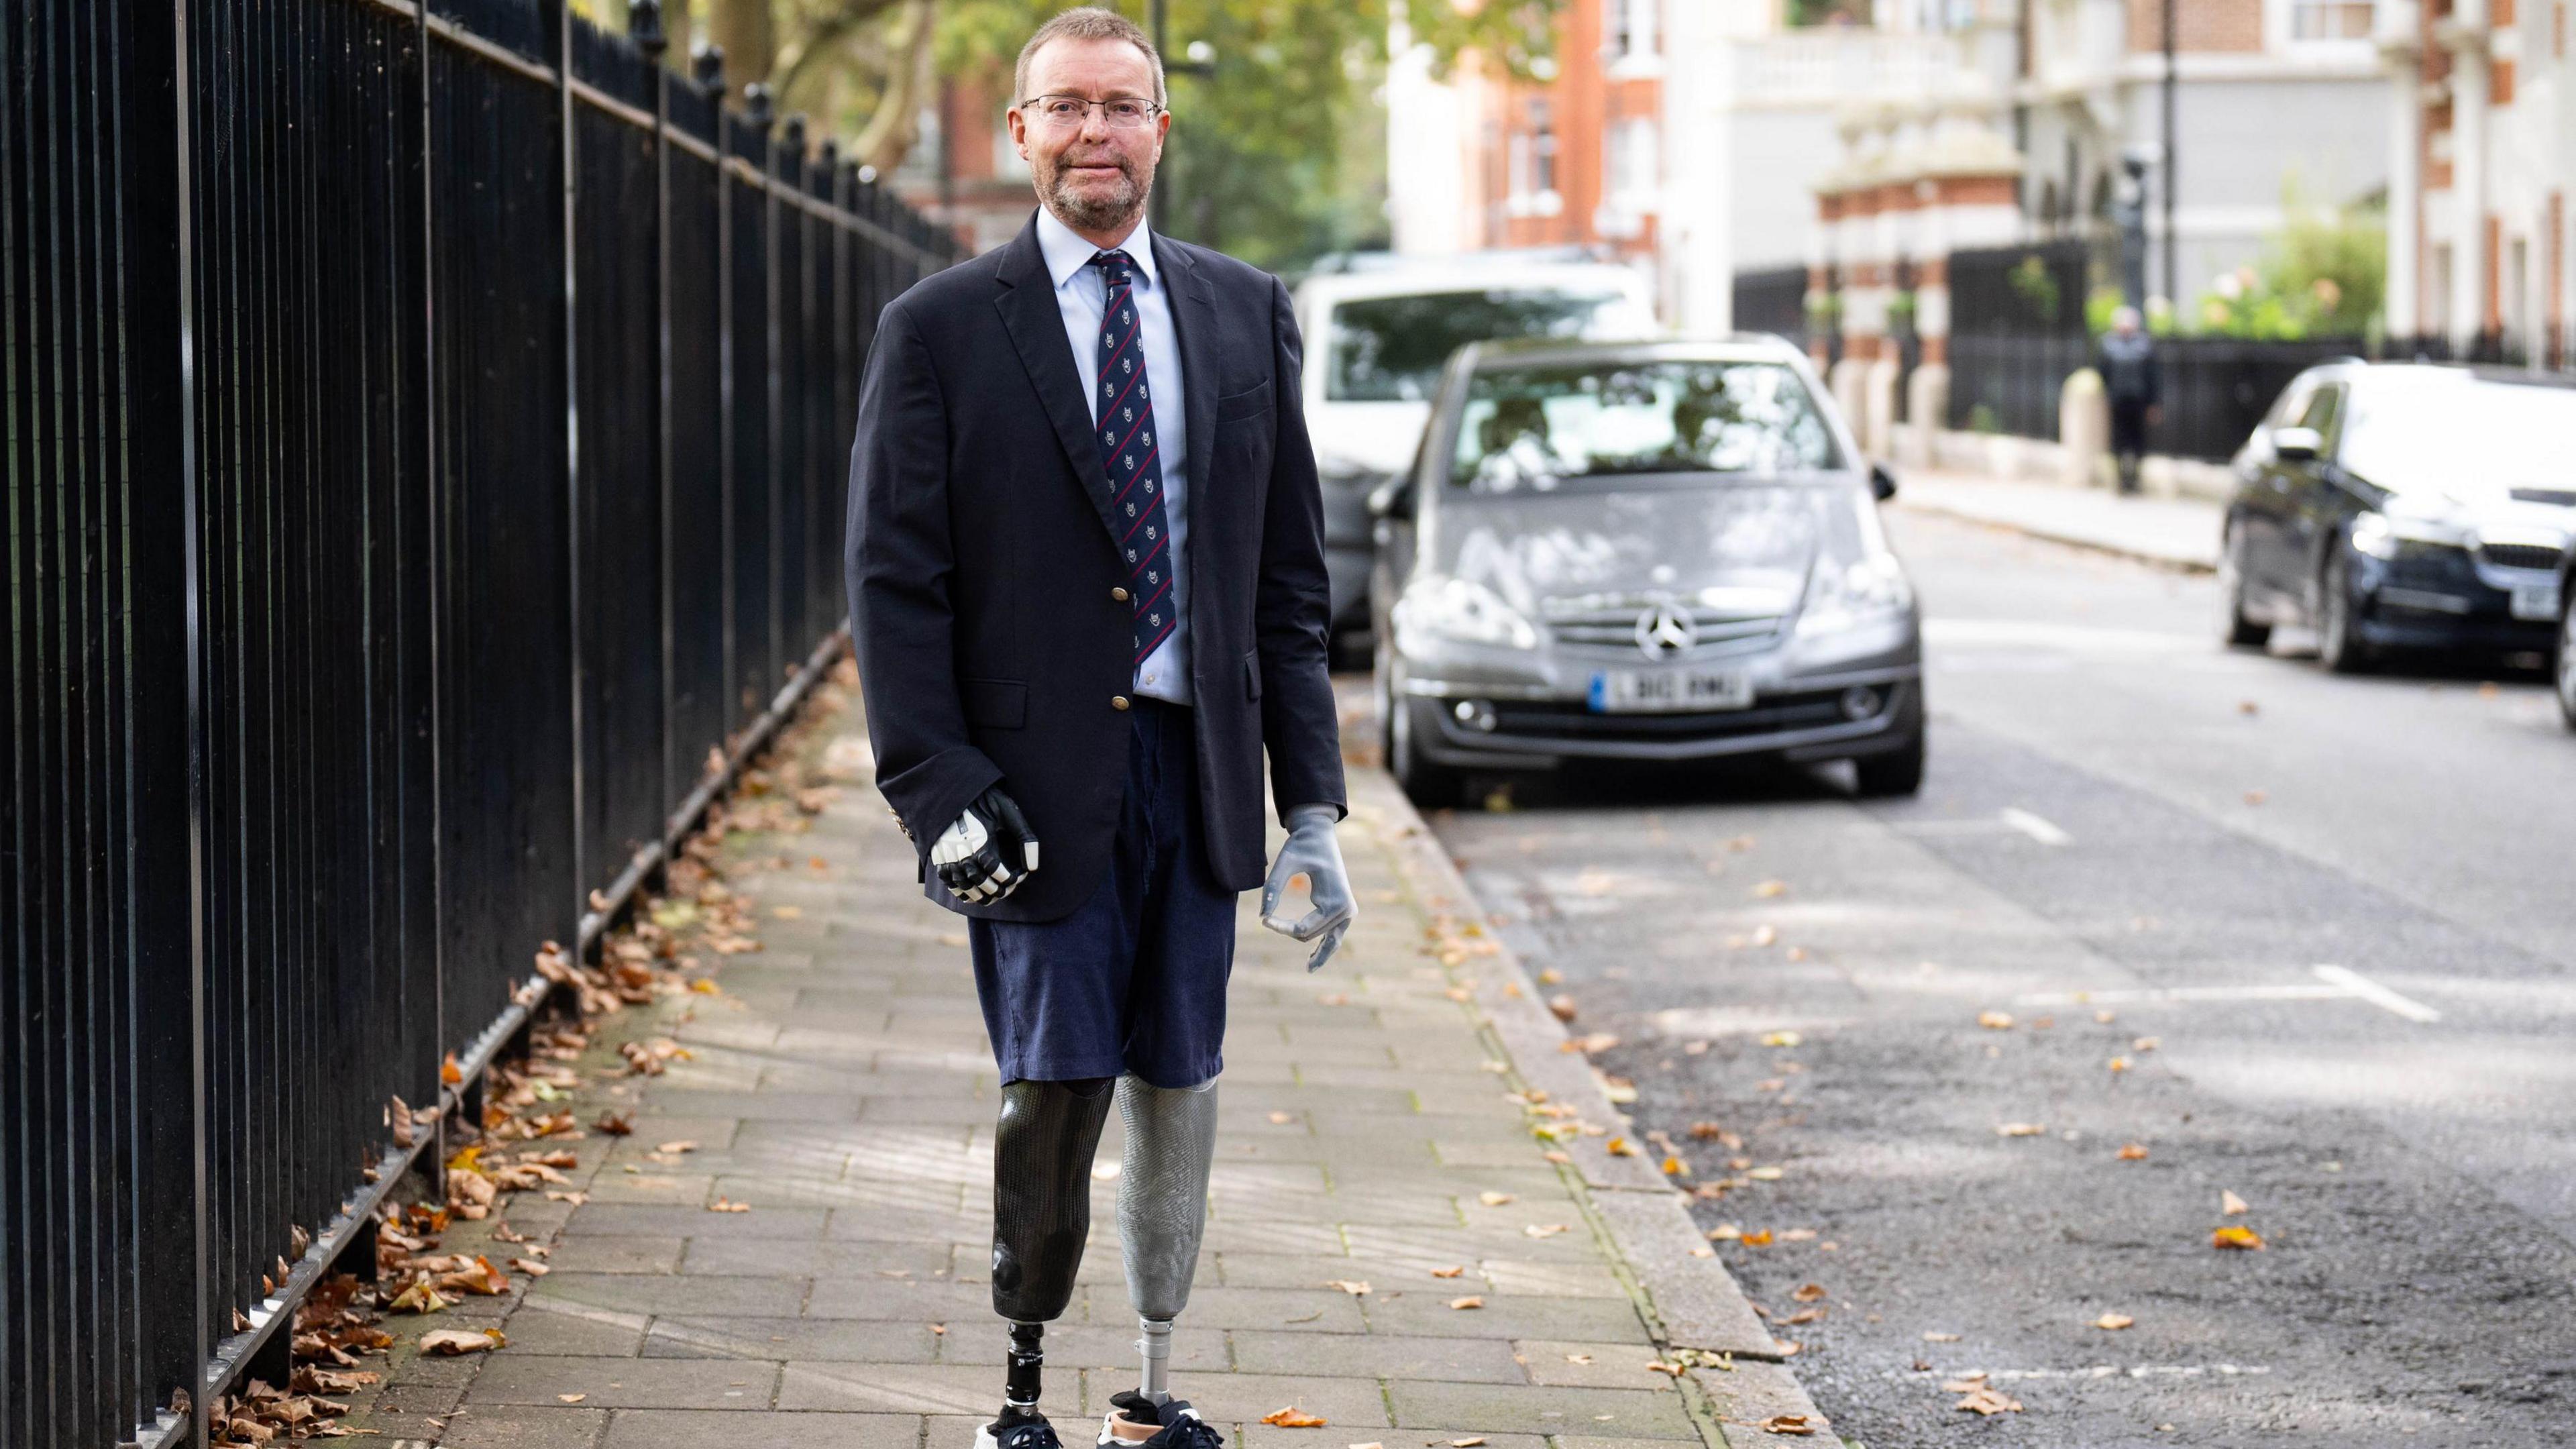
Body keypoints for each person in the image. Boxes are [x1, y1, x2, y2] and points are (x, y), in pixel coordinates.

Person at [842, 9, 1354, 1448]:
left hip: (1196, 781)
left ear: (1160, 131)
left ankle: (1154, 1383)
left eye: (1122, 107)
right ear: (1021, 134)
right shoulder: (938, 329)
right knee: (1054, 1089)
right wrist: (934, 781)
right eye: (1064, 107)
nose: (1094, 134)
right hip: (1027, 792)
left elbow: (1289, 586)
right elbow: (893, 583)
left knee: (1178, 1088)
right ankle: (1020, 1391)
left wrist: (1309, 812)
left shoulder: (1245, 310)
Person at [2097, 305, 2161, 495]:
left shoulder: (2145, 345)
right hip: (2118, 400)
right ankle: (2121, 479)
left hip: (2138, 400)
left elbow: (2154, 376)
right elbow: (2103, 373)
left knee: (2137, 440)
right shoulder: (2108, 345)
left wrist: (2154, 403)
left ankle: (2135, 478)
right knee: (2119, 440)